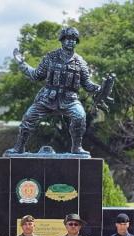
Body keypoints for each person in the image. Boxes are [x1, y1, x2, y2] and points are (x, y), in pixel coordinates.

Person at [6, 26, 100, 155]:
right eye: (67, 38)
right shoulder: (50, 57)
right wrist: (22, 64)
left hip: (69, 99)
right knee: (28, 117)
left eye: (73, 39)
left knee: (80, 116)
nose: (70, 41)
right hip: (47, 98)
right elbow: (36, 75)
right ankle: (19, 147)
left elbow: (87, 84)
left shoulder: (80, 62)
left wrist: (98, 88)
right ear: (62, 40)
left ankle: (77, 147)